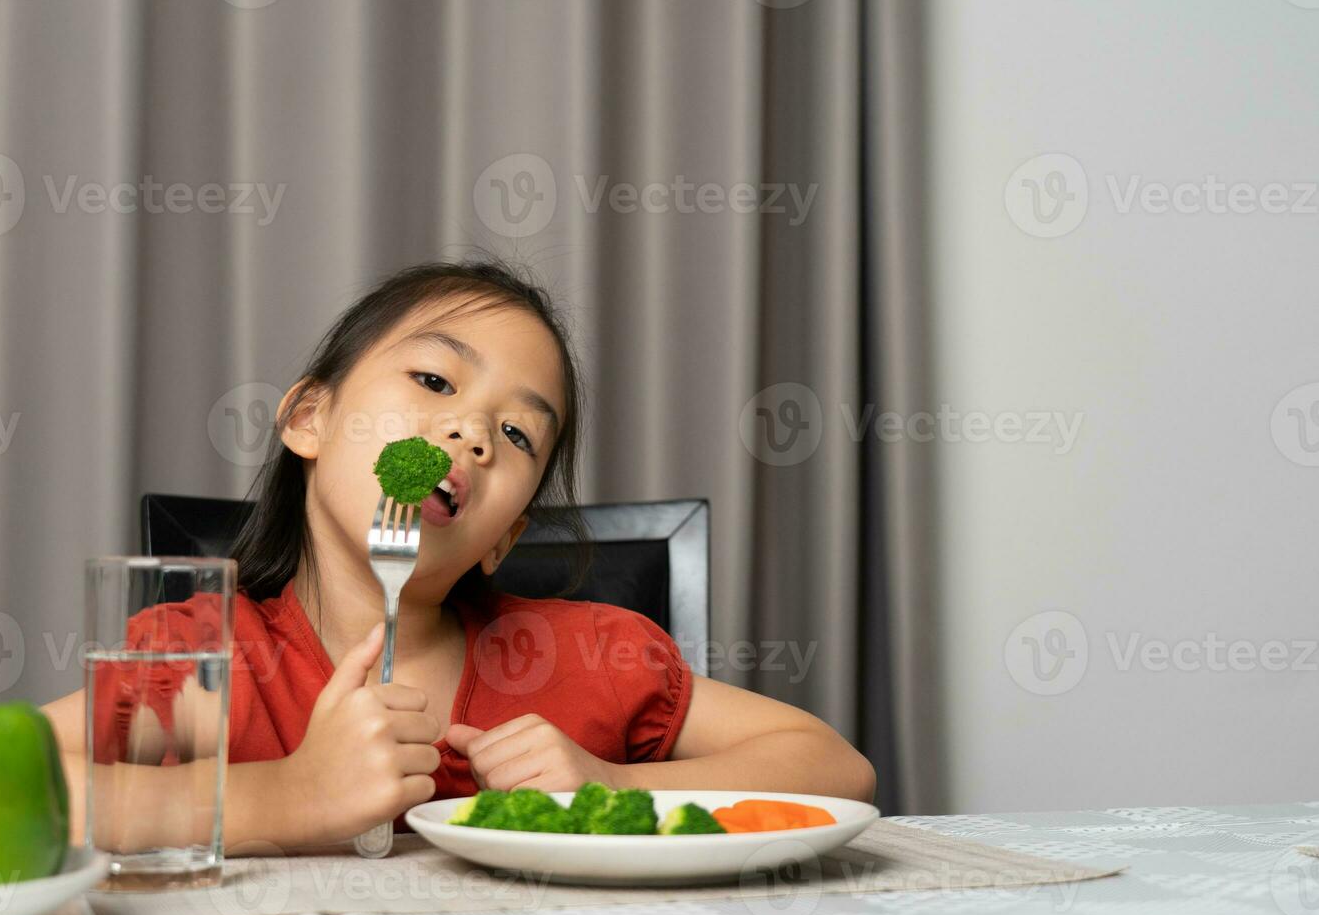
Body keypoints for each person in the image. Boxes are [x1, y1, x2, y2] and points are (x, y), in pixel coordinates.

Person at [43, 259, 875, 853]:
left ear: (504, 538)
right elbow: (10, 791)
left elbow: (836, 767)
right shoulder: (210, 661)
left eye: (517, 434)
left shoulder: (587, 656)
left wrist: (610, 790)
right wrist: (286, 794)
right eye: (437, 383)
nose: (471, 433)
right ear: (309, 419)